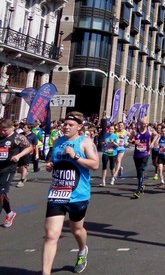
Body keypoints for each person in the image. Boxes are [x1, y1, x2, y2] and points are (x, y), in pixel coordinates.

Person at [42, 112, 99, 275]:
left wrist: (75, 157)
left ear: (79, 127)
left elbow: (95, 165)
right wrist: (51, 166)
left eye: (70, 125)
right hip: (57, 193)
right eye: (65, 124)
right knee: (51, 235)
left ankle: (82, 250)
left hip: (78, 195)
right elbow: (56, 162)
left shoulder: (85, 142)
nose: (66, 127)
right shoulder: (57, 141)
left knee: (77, 230)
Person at [0, 119, 31, 228]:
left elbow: (29, 147)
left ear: (11, 128)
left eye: (5, 130)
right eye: (1, 130)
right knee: (2, 194)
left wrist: (18, 156)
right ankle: (10, 213)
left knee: (0, 193)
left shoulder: (18, 137)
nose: (2, 132)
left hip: (8, 169)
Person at [129, 119, 157, 198]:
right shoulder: (135, 131)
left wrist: (152, 143)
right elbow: (129, 140)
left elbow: (157, 135)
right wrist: (133, 142)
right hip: (137, 154)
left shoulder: (149, 130)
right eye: (143, 124)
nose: (145, 125)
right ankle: (141, 185)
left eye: (146, 124)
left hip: (145, 154)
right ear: (140, 124)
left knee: (141, 170)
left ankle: (138, 190)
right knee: (138, 172)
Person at [16, 123, 39, 187]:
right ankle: (25, 173)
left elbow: (36, 145)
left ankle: (21, 180)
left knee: (24, 166)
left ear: (29, 129)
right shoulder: (21, 134)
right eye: (23, 127)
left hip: (28, 153)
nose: (23, 129)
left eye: (25, 128)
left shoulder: (33, 135)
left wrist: (37, 154)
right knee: (18, 169)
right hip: (19, 152)